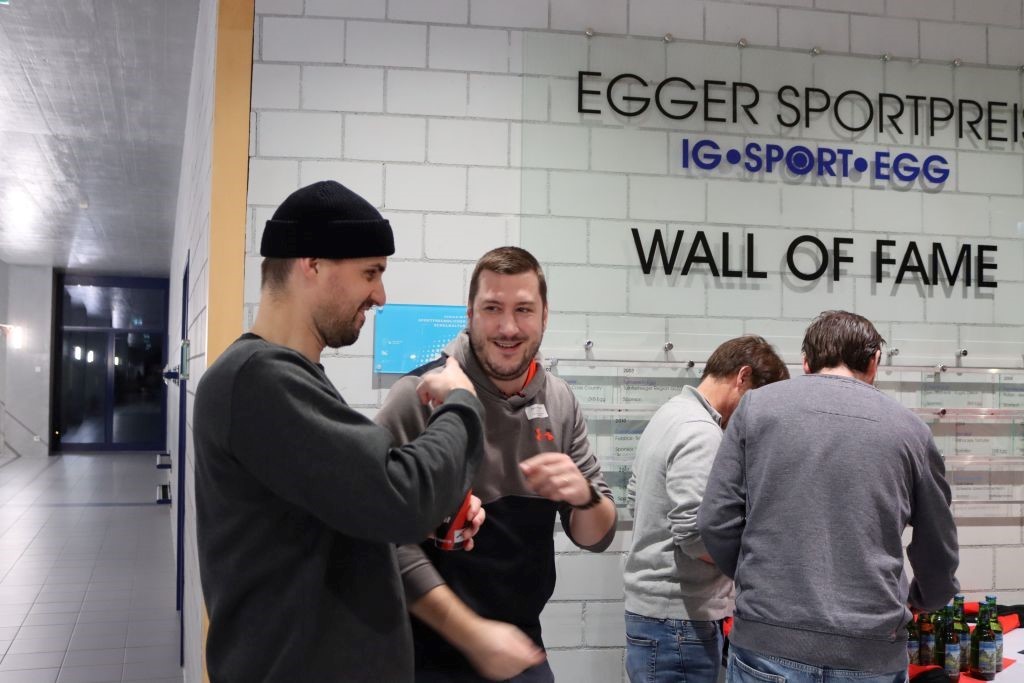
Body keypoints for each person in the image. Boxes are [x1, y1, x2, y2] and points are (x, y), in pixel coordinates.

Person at [194, 180, 487, 682]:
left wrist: (433, 516)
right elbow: (401, 495)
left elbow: (338, 509)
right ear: (312, 264)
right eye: (370, 273)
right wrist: (462, 403)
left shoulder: (290, 378)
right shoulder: (258, 379)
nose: (380, 296)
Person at [376, 246, 618, 682]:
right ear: (470, 314)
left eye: (523, 309)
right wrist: (472, 635)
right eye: (492, 308)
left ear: (544, 316)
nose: (508, 328)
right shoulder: (420, 394)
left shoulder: (560, 401)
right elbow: (381, 538)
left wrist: (585, 497)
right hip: (422, 651)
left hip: (518, 647)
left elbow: (596, 537)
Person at [698, 310, 959, 683]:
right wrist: (925, 597)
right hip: (870, 649)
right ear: (874, 362)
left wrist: (760, 577)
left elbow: (716, 520)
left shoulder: (755, 410)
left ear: (806, 362)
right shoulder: (911, 431)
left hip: (768, 641)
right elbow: (939, 544)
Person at [623, 336, 789, 683]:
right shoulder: (701, 432)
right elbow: (695, 535)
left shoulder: (669, 414)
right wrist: (750, 564)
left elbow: (634, 499)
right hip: (679, 622)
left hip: (659, 619)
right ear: (743, 376)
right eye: (757, 402)